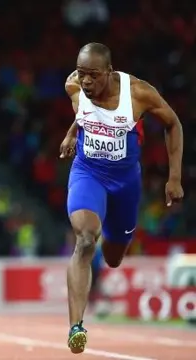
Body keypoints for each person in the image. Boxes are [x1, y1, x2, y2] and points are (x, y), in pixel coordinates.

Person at [59, 42, 183, 354]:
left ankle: (111, 239)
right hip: (88, 173)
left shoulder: (138, 93)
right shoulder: (73, 86)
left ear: (109, 73)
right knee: (86, 239)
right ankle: (76, 327)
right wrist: (74, 131)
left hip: (125, 183)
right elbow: (84, 112)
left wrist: (175, 177)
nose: (85, 81)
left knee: (113, 258)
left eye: (93, 76)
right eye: (82, 74)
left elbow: (173, 123)